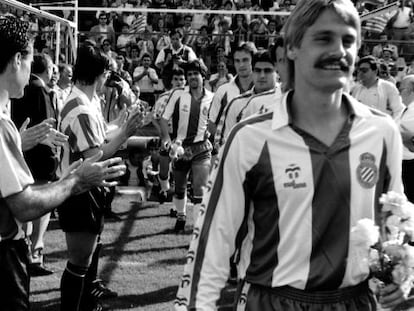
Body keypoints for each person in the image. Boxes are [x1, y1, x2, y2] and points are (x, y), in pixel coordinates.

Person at [174, 1, 408, 310]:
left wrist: (403, 279)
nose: (339, 50)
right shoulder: (250, 138)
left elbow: (394, 222)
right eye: (324, 38)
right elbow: (213, 241)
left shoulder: (382, 132)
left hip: (355, 301)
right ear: (293, 48)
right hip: (273, 301)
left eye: (348, 40)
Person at [0, 16, 125, 311]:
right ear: (18, 59)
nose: (33, 71)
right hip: (4, 252)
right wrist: (75, 180)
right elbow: (25, 205)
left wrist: (18, 141)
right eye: (31, 59)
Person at [58, 42, 143, 311]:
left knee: (86, 256)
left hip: (85, 188)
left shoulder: (86, 100)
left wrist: (121, 121)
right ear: (100, 73)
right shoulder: (81, 107)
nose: (108, 78)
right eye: (107, 73)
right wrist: (126, 133)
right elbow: (97, 155)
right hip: (79, 190)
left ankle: (86, 304)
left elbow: (100, 133)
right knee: (79, 261)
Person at [11, 53, 66, 278]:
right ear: (49, 68)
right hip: (39, 154)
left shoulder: (22, 89)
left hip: (23, 151)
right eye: (53, 68)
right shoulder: (38, 89)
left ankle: (29, 249)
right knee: (40, 204)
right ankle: (34, 251)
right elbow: (46, 125)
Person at [160, 60, 213, 233]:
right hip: (180, 148)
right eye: (189, 74)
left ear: (203, 76)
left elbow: (214, 123)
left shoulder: (212, 98)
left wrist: (211, 134)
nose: (191, 77)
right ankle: (181, 216)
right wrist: (167, 139)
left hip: (201, 148)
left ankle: (197, 228)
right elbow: (163, 119)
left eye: (195, 74)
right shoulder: (177, 94)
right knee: (180, 188)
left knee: (200, 187)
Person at [213, 50, 282, 151]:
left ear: (277, 72)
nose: (262, 75)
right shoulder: (236, 104)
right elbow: (224, 143)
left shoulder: (287, 100)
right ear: (252, 72)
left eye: (267, 71)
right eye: (258, 70)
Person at [152, 68, 186, 208]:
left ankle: (176, 206)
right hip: (168, 134)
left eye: (181, 79)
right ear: (171, 81)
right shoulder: (164, 97)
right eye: (176, 79)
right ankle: (164, 187)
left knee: (180, 169)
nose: (179, 82)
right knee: (165, 166)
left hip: (183, 137)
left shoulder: (190, 97)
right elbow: (155, 117)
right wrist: (163, 134)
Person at [207, 43, 255, 141]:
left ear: (253, 61)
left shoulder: (263, 89)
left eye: (245, 60)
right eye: (237, 61)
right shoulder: (223, 90)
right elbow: (211, 123)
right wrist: (225, 142)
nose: (241, 65)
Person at [351, 55, 404, 120]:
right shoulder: (355, 88)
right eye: (358, 71)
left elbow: (398, 110)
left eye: (364, 70)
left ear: (375, 71)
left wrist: (393, 126)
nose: (360, 73)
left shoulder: (388, 87)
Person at [399, 75, 414, 202]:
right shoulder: (406, 109)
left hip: (410, 164)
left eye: (401, 90)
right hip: (403, 163)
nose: (400, 94)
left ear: (411, 90)